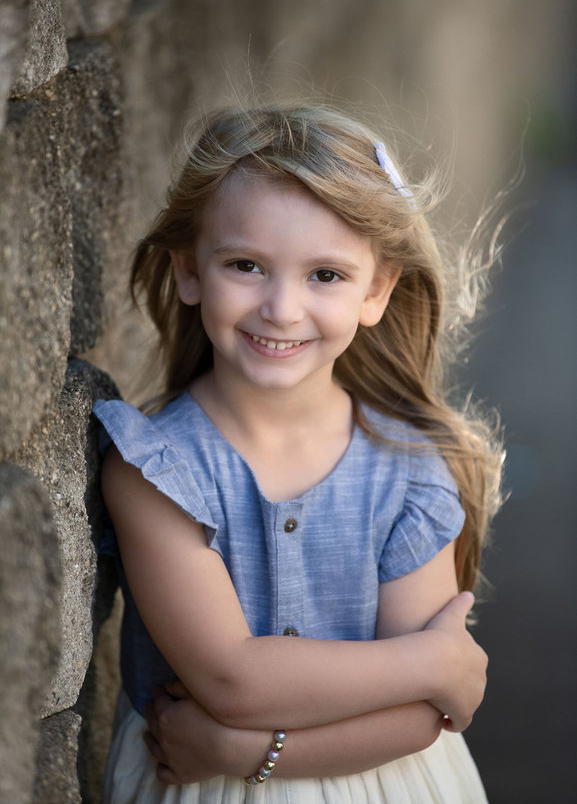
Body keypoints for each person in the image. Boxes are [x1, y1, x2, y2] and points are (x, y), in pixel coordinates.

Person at [94, 104, 503, 804]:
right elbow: (229, 676)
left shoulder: (407, 469)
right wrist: (428, 660)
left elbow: (422, 718)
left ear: (376, 290)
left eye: (325, 275)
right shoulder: (154, 469)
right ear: (189, 271)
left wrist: (241, 750)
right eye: (246, 265)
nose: (281, 308)